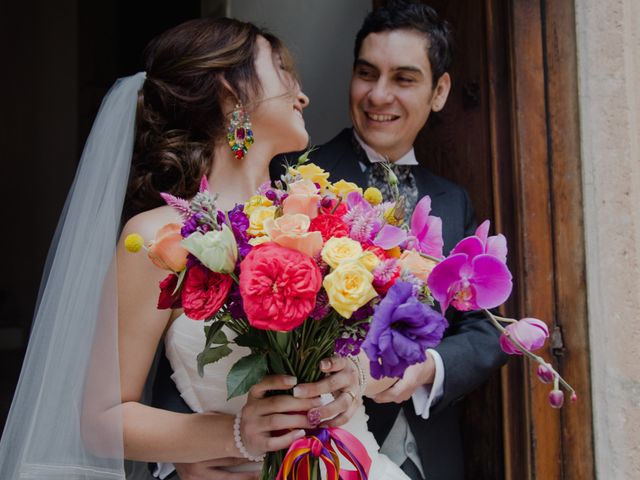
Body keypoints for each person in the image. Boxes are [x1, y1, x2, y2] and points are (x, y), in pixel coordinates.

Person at [0, 17, 408, 480]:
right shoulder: (162, 238)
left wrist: (351, 380)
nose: (303, 94)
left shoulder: (326, 220)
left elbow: (377, 362)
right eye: (280, 69)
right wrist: (235, 434)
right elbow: (101, 421)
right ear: (230, 91)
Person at [152, 3, 508, 480]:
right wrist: (191, 447)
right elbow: (198, 325)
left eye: (403, 79)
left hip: (421, 458)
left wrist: (425, 370)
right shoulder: (288, 179)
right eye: (366, 73)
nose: (379, 95)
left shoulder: (452, 199)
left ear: (439, 91)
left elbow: (485, 328)